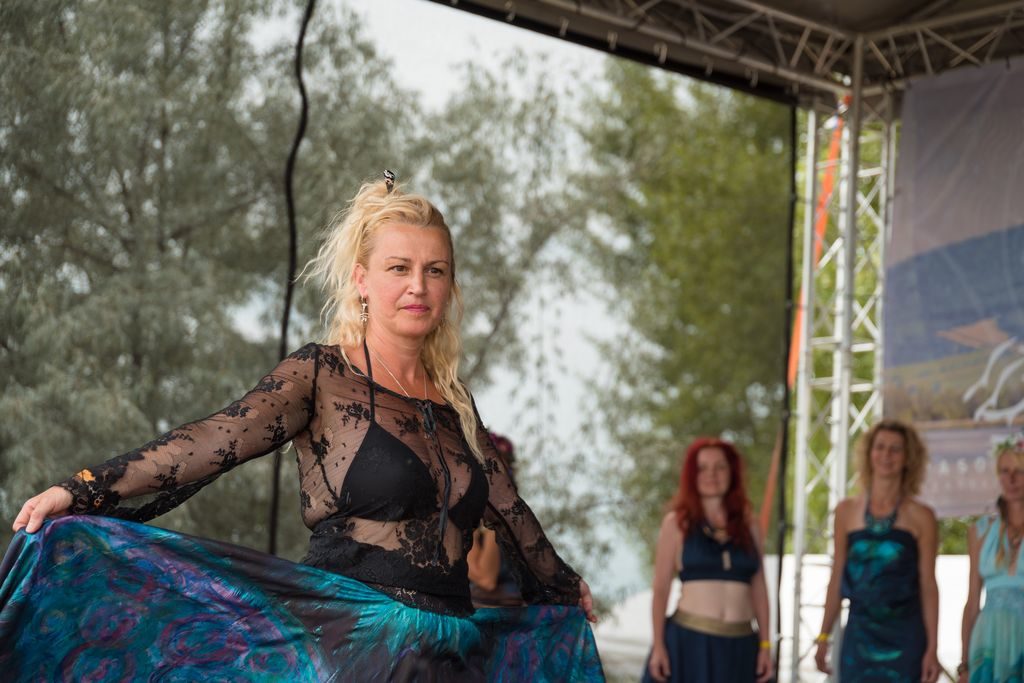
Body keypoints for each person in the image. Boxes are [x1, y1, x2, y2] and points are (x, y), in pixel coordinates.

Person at [1, 173, 603, 681]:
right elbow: (212, 440)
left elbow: (507, 508)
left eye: (435, 270)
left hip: (449, 657)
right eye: (399, 268)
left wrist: (564, 585)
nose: (418, 286)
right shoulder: (323, 375)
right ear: (362, 280)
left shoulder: (456, 403)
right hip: (350, 650)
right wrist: (83, 488)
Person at [814, 419, 940, 682]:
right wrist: (823, 635)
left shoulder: (922, 516)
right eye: (880, 447)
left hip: (905, 636)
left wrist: (932, 648)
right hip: (858, 636)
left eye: (895, 449)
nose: (886, 455)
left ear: (908, 458)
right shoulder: (846, 511)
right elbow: (837, 579)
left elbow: (928, 585)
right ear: (869, 453)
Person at [642, 437, 773, 683]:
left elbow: (760, 588)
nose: (711, 474)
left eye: (720, 467)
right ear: (692, 475)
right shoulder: (676, 523)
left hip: (742, 647)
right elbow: (660, 589)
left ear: (732, 472)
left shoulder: (749, 524)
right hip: (689, 645)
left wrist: (765, 644)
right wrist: (658, 645)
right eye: (703, 468)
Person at [958, 428, 1024, 683]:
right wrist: (964, 665)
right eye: (1005, 471)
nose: (1011, 479)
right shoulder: (981, 531)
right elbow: (972, 601)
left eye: (1019, 471)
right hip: (989, 639)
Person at [467, 433, 525, 607]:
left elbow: (487, 580)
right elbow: (484, 578)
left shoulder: (514, 523)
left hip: (512, 612)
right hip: (480, 612)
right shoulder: (461, 519)